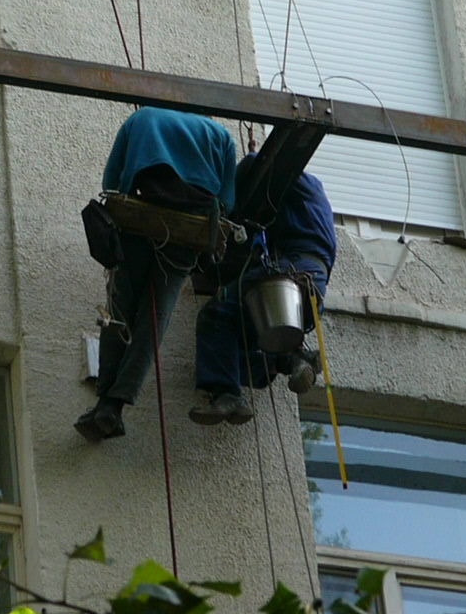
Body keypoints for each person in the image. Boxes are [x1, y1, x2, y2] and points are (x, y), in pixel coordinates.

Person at [75, 107, 237, 442]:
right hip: (185, 232)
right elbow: (227, 201)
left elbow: (111, 182)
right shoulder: (220, 135)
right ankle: (117, 403)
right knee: (154, 318)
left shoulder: (141, 118)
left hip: (140, 219)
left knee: (119, 313)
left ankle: (106, 400)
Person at [189, 155, 336, 426]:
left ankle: (227, 394)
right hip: (313, 285)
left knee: (217, 313)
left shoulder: (287, 178)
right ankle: (290, 360)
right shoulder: (312, 194)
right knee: (242, 338)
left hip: (289, 269)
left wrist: (224, 204)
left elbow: (255, 162)